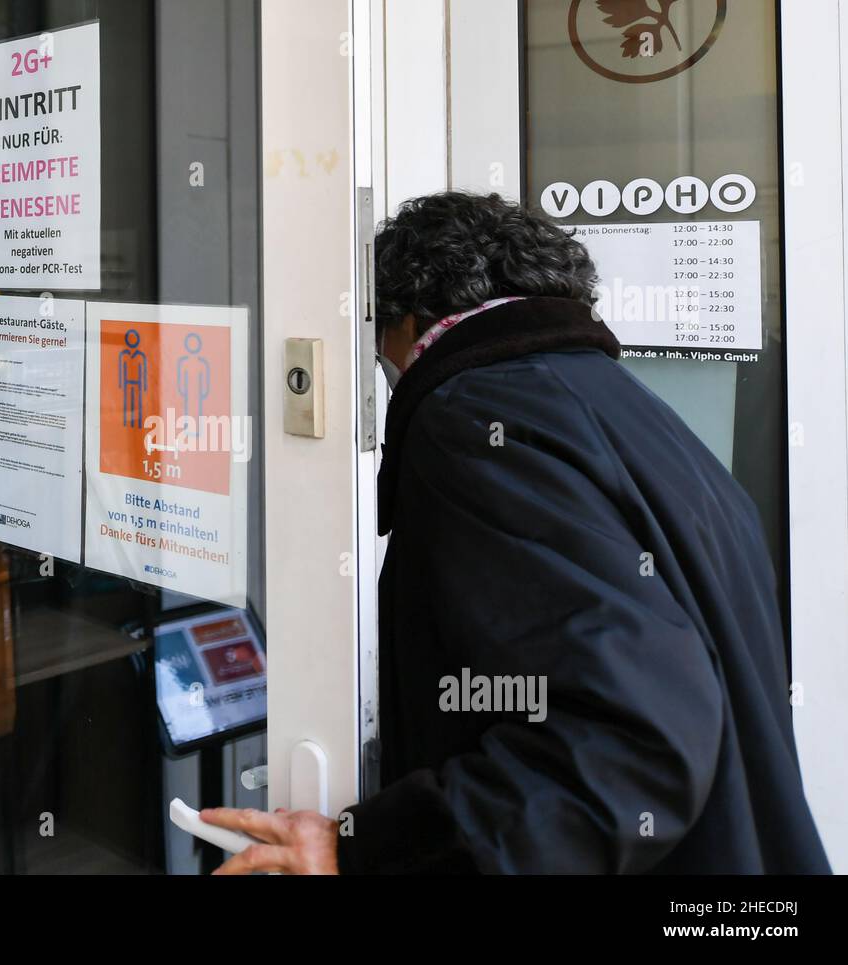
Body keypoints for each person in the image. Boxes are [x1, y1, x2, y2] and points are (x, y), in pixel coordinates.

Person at [201, 191, 831, 875]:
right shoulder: (625, 409)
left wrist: (366, 848)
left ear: (409, 322)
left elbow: (634, 742)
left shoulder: (471, 420)